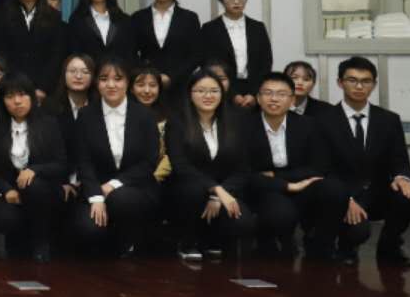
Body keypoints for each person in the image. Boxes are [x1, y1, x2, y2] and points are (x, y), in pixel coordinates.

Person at [316, 57, 410, 268]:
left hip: (377, 192)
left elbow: (399, 159)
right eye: (352, 80)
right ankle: (346, 246)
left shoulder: (389, 119)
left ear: (373, 84)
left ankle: (389, 246)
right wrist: (344, 198)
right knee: (358, 232)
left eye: (366, 81)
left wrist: (402, 177)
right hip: (342, 194)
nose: (359, 86)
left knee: (409, 196)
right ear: (340, 83)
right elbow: (321, 168)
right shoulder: (322, 120)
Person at [243, 72, 346, 261]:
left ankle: (321, 244)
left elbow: (319, 166)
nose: (274, 99)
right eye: (268, 93)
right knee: (281, 214)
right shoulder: (244, 126)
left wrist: (277, 176)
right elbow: (245, 173)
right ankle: (268, 239)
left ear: (292, 100)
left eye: (281, 94)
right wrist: (284, 185)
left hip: (301, 183)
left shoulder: (309, 125)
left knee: (335, 190)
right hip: (265, 188)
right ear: (258, 98)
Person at [72, 57, 162, 257]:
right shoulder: (86, 115)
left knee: (121, 200)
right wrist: (96, 197)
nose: (111, 85)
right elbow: (84, 161)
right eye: (104, 79)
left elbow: (149, 161)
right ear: (97, 83)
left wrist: (113, 185)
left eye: (118, 79)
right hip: (96, 188)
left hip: (136, 187)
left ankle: (129, 240)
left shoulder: (145, 115)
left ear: (127, 83)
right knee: (89, 230)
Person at [165, 66, 255, 260]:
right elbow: (181, 166)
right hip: (187, 189)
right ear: (190, 94)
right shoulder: (177, 122)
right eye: (200, 91)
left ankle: (213, 239)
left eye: (214, 91)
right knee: (193, 191)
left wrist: (219, 194)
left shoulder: (236, 121)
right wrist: (216, 190)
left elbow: (243, 168)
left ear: (222, 94)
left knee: (243, 223)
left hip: (225, 189)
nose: (208, 96)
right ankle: (188, 241)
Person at [0, 73, 67, 262]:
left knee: (34, 186)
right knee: (3, 217)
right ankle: (16, 246)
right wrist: (6, 190)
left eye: (22, 95)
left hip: (45, 192)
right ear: (2, 101)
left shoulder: (49, 124)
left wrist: (35, 170)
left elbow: (61, 164)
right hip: (14, 192)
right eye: (10, 96)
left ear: (32, 96)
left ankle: (41, 243)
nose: (17, 101)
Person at [130, 0, 202, 97]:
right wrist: (149, 76)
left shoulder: (189, 18)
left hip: (180, 86)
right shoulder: (138, 17)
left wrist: (172, 77)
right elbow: (131, 52)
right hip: (147, 86)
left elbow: (195, 55)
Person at [201, 0, 272, 107]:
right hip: (222, 87)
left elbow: (266, 62)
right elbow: (207, 63)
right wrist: (232, 94)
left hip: (253, 88)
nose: (236, 2)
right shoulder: (210, 28)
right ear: (221, 0)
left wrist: (254, 93)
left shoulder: (258, 27)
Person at [67, 0, 134, 65]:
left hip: (118, 73)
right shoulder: (77, 20)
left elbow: (130, 54)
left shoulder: (124, 20)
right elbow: (75, 53)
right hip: (89, 73)